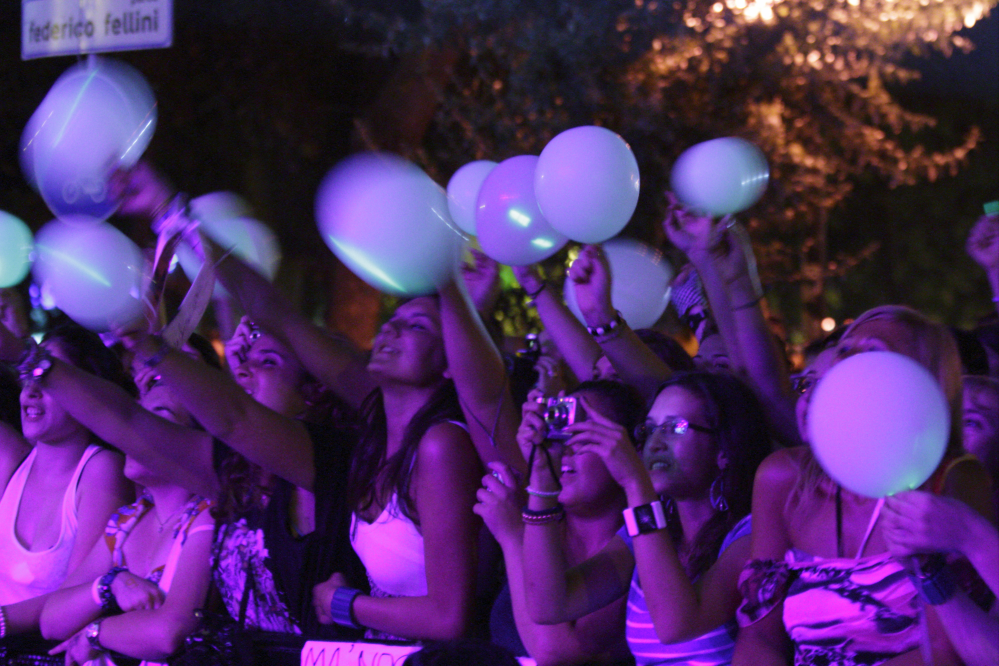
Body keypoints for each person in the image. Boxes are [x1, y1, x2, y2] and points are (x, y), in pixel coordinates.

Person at [733, 305, 996, 666]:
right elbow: (758, 638)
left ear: (920, 381)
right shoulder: (784, 477)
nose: (847, 363)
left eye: (872, 352)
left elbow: (949, 649)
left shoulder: (952, 481)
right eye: (843, 350)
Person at [522, 371, 773, 666]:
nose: (654, 444)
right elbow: (549, 605)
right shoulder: (646, 534)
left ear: (723, 450)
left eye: (674, 428)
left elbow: (677, 625)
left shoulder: (751, 535)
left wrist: (634, 482)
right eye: (650, 429)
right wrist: (541, 476)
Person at [39, 370, 215, 666]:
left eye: (158, 417)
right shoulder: (128, 521)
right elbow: (51, 620)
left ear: (196, 441)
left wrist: (93, 633)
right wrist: (110, 584)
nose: (134, 432)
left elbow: (167, 633)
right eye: (135, 418)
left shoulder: (207, 515)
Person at [477, 380, 644, 665]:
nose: (564, 449)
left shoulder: (639, 541)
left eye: (582, 435)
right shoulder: (534, 526)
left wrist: (514, 538)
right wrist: (541, 467)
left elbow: (559, 655)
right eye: (559, 431)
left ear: (627, 448)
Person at [0, 323, 135, 639]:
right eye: (28, 377)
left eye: (47, 379)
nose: (31, 391)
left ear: (85, 390)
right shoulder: (12, 455)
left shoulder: (102, 469)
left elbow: (76, 599)